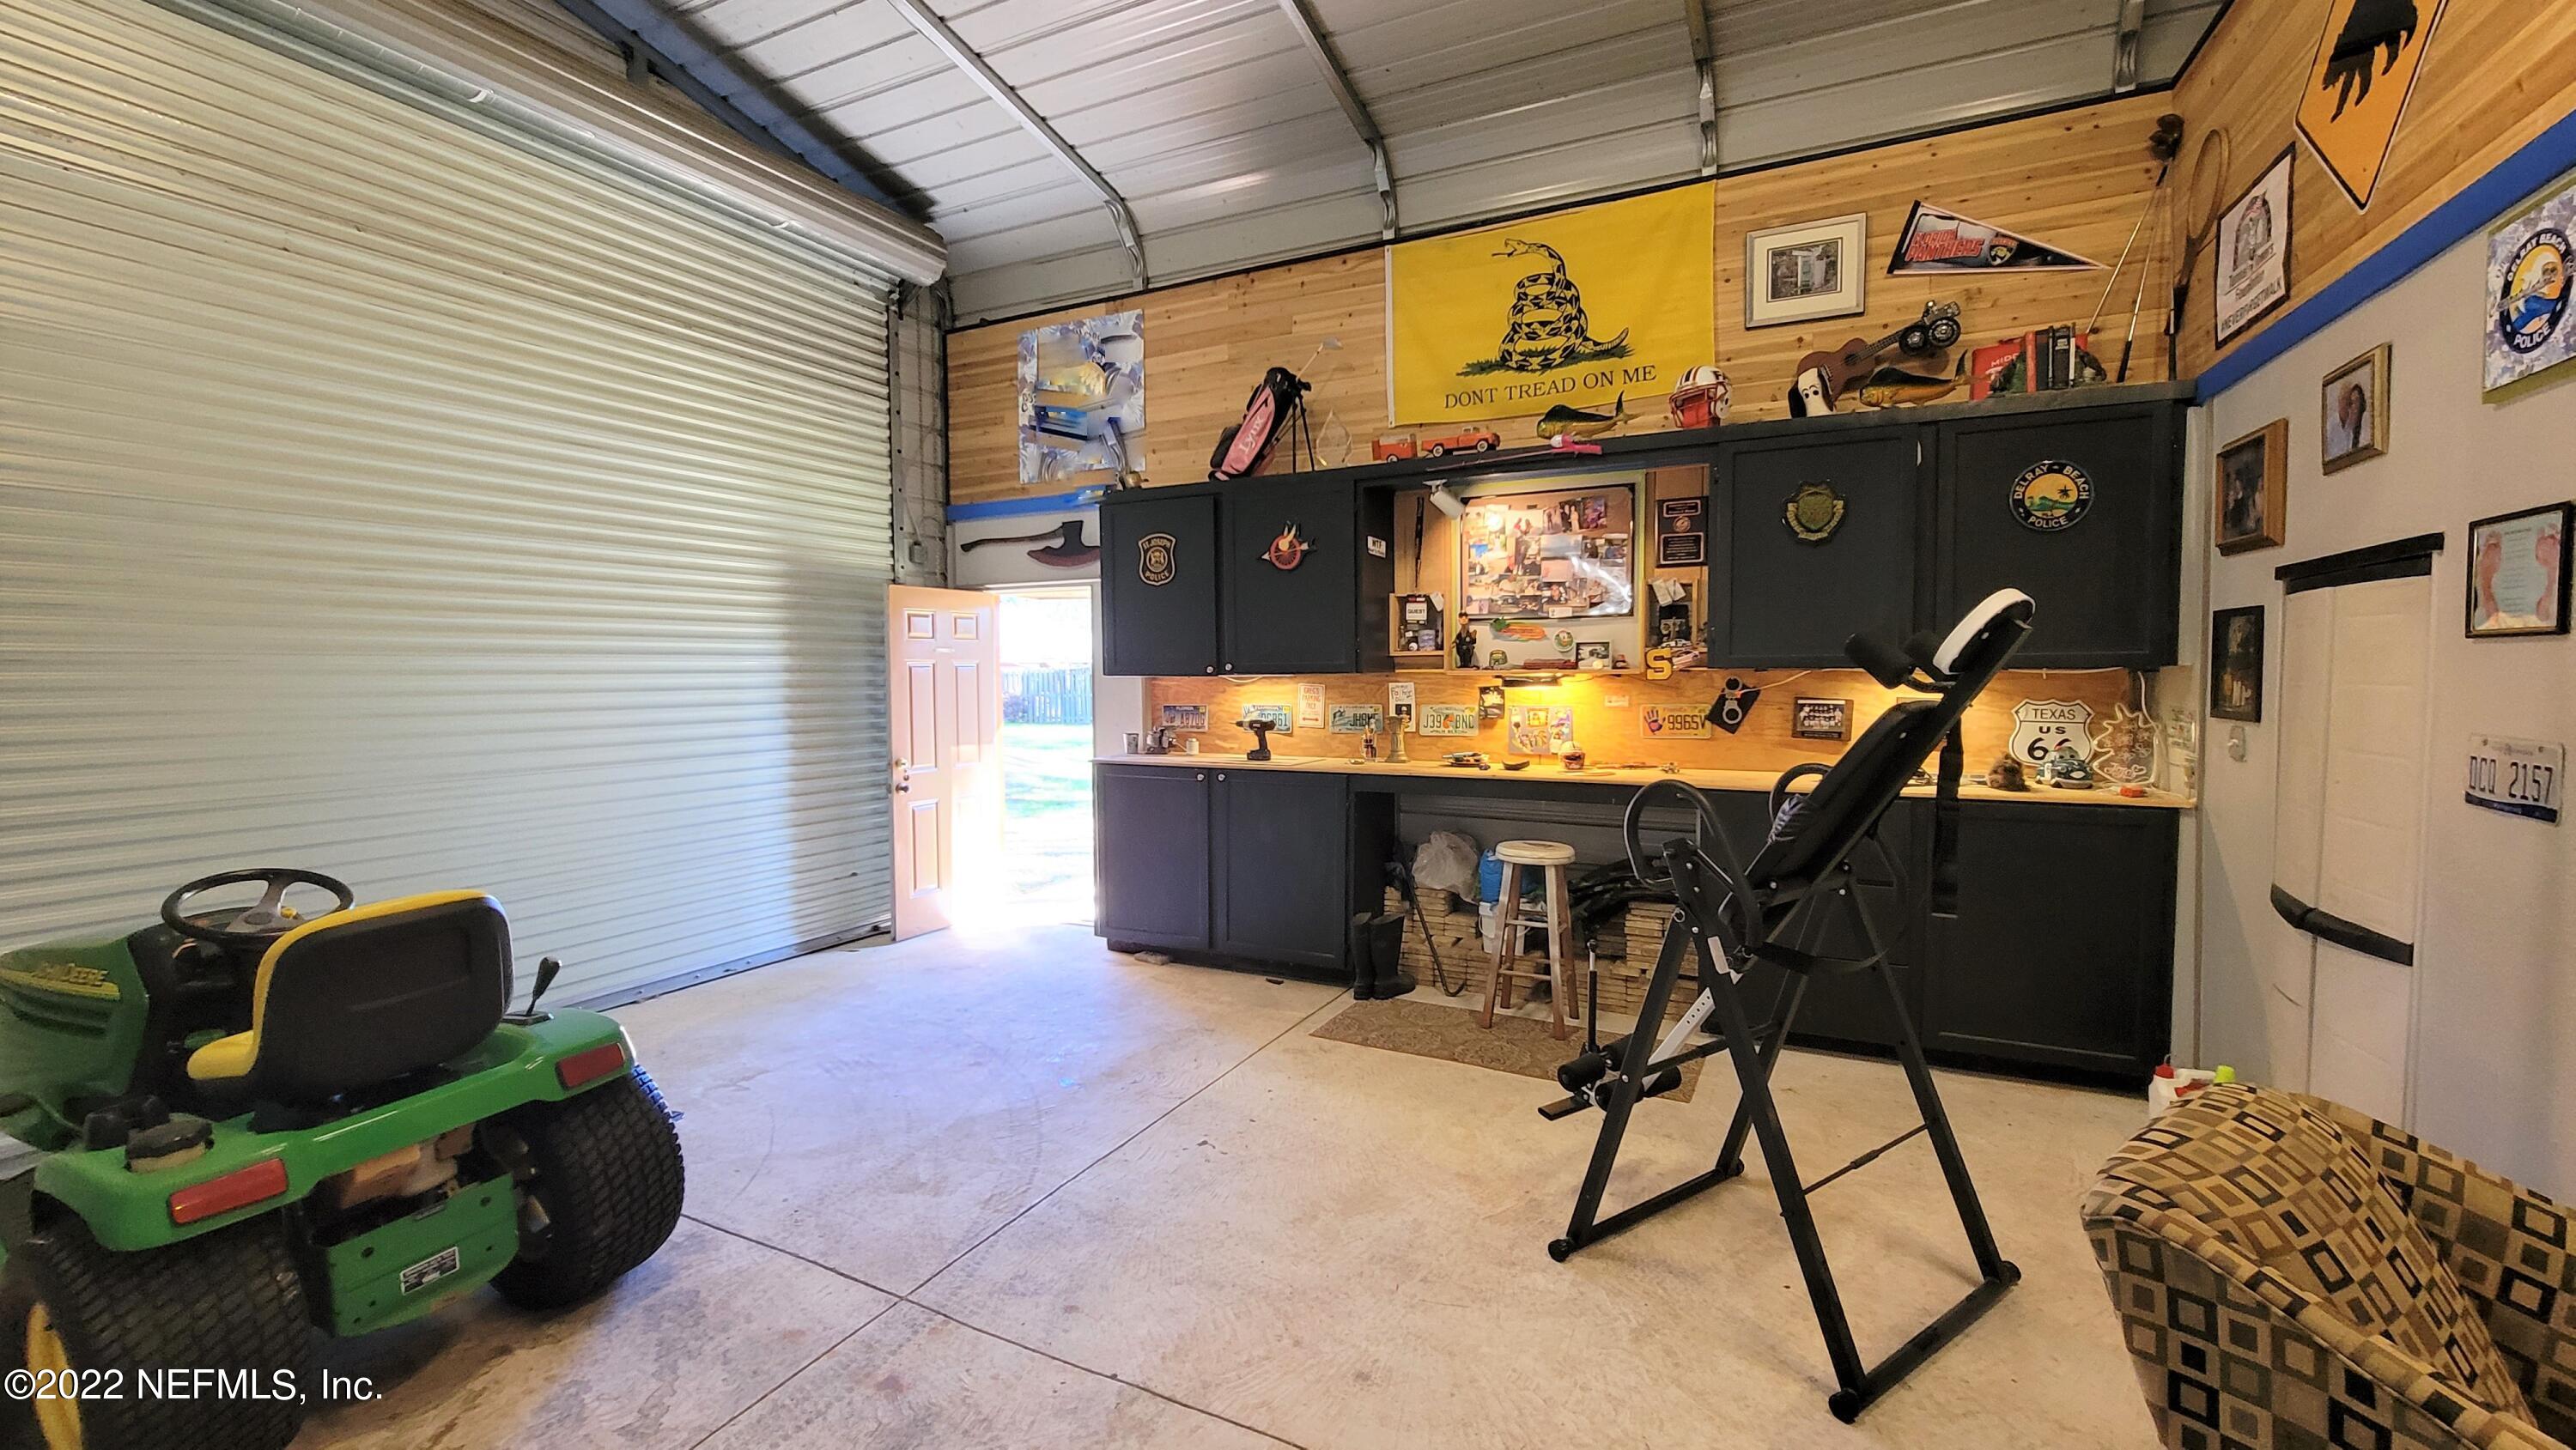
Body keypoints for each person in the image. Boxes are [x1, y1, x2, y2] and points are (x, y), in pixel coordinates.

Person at [2325, 379, 2371, 459]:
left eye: (2350, 402)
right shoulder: (2330, 426)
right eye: (2343, 399)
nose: (2345, 405)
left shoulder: (2364, 422)